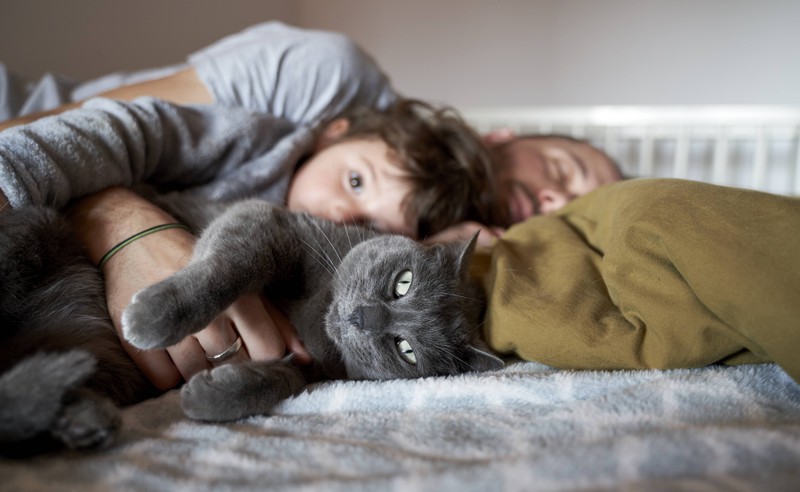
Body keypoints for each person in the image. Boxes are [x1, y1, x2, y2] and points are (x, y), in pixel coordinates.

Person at [0, 95, 495, 390]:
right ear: (332, 135)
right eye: (356, 181)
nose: (344, 214)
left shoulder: (339, 271)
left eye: (375, 224)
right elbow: (114, 132)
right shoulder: (245, 136)